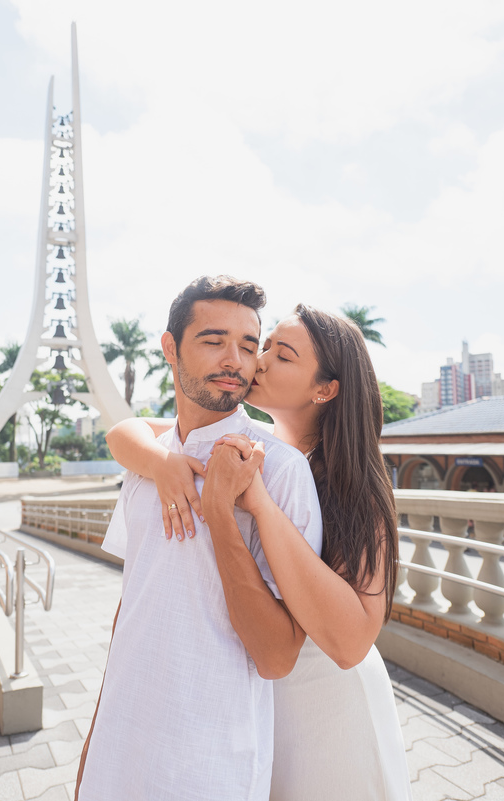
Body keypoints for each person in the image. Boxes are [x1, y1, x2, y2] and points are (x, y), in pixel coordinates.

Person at [106, 303, 411, 800]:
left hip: (328, 704)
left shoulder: (351, 487)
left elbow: (351, 642)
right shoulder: (252, 445)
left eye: (281, 355)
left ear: (325, 389)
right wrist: (163, 463)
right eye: (262, 346)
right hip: (255, 700)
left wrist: (258, 505)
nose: (259, 360)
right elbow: (126, 432)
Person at [76, 276, 324, 801]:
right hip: (120, 746)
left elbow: (278, 656)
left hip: (211, 761)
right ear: (171, 348)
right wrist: (96, 738)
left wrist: (222, 513)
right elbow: (135, 603)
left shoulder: (278, 471)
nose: (234, 359)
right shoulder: (149, 458)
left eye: (249, 345)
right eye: (213, 341)